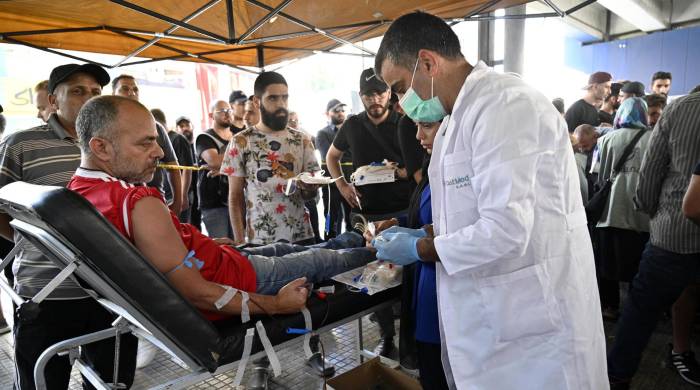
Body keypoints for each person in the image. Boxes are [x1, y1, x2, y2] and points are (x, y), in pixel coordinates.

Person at [375, 11, 607, 389]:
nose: (401, 104)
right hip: (491, 324)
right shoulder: (457, 118)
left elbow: (507, 230)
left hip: (534, 331)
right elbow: (468, 213)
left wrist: (419, 247)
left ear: (428, 63)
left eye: (400, 87)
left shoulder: (505, 105)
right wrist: (422, 230)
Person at [69, 94, 374, 320]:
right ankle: (387, 246)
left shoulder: (79, 190)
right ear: (101, 148)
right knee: (320, 260)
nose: (159, 151)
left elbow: (154, 255)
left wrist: (195, 242)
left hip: (224, 259)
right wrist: (275, 306)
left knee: (296, 247)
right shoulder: (138, 201)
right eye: (145, 143)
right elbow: (197, 292)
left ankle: (365, 234)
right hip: (239, 279)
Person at [0, 63, 138, 390]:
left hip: (114, 291)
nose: (89, 98)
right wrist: (41, 243)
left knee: (111, 382)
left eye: (95, 92)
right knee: (42, 382)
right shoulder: (21, 144)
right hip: (46, 293)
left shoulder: (118, 144)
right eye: (77, 91)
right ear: (52, 100)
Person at [607, 91, 700, 389]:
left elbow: (651, 171)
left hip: (672, 232)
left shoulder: (679, 110)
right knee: (686, 294)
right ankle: (680, 351)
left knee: (641, 310)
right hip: (681, 228)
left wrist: (652, 215)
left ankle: (617, 376)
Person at [326, 68, 417, 358]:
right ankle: (386, 335)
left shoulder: (405, 123)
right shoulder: (352, 125)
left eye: (380, 93)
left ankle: (411, 340)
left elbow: (418, 166)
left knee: (408, 275)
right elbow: (332, 156)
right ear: (361, 97)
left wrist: (400, 171)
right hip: (367, 213)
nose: (375, 99)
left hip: (402, 209)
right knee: (373, 278)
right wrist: (341, 185)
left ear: (390, 93)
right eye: (368, 95)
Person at [223, 72, 320, 246]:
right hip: (261, 240)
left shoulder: (302, 139)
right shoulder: (241, 141)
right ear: (257, 102)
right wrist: (239, 242)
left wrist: (310, 188)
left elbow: (310, 194)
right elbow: (235, 197)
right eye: (273, 98)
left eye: (285, 98)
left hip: (302, 236)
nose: (281, 104)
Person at [595, 97, 651, 320]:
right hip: (643, 214)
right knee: (640, 266)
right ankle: (637, 310)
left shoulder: (606, 140)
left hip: (611, 212)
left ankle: (610, 307)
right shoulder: (654, 139)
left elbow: (598, 175)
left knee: (608, 265)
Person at [112, 75, 183, 215]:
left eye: (135, 89)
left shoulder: (156, 127)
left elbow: (173, 168)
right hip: (120, 205)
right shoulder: (108, 128)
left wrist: (178, 202)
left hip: (156, 203)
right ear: (113, 94)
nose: (131, 93)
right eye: (125, 89)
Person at [197, 100, 234, 238]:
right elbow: (214, 161)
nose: (227, 114)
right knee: (222, 246)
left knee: (240, 245)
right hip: (214, 203)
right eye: (222, 111)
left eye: (229, 110)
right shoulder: (204, 138)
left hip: (236, 198)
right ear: (212, 115)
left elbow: (250, 160)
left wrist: (225, 167)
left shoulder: (238, 136)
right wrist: (239, 158)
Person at [317, 99, 353, 238]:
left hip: (350, 181)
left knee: (352, 216)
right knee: (331, 217)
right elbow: (329, 155)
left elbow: (354, 152)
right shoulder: (322, 133)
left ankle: (354, 245)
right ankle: (330, 244)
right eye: (336, 110)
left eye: (343, 110)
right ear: (327, 114)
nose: (340, 113)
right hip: (331, 183)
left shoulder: (351, 131)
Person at [152, 109, 195, 223]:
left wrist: (182, 196)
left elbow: (186, 169)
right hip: (167, 193)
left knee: (181, 228)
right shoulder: (161, 139)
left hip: (178, 193)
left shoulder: (178, 139)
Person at [175, 116, 201, 228]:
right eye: (181, 126)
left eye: (187, 125)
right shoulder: (177, 145)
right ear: (177, 129)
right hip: (187, 191)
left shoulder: (199, 144)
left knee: (197, 223)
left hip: (200, 191)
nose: (185, 128)